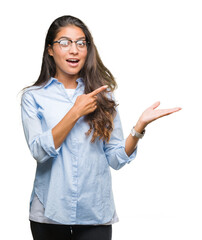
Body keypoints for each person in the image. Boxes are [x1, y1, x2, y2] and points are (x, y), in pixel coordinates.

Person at [21, 15, 181, 240]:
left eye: (81, 42)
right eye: (65, 42)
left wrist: (139, 128)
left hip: (94, 212)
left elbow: (116, 158)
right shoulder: (34, 97)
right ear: (50, 49)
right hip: (50, 212)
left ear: (88, 48)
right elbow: (39, 151)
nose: (74, 50)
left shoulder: (103, 96)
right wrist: (75, 112)